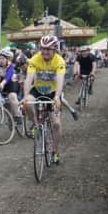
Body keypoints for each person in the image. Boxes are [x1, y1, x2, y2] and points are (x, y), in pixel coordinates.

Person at [20, 34, 66, 165]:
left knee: (56, 123)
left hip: (53, 92)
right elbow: (29, 78)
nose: (44, 51)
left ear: (55, 49)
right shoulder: (35, 59)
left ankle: (55, 151)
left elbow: (60, 79)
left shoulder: (59, 61)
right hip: (38, 90)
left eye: (48, 49)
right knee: (27, 102)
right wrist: (24, 96)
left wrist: (57, 97)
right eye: (42, 48)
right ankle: (36, 124)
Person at [0, 49, 22, 125]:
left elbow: (8, 75)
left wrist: (3, 82)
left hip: (11, 82)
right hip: (1, 83)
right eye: (0, 58)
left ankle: (17, 115)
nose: (1, 60)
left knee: (12, 96)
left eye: (3, 58)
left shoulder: (10, 66)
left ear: (7, 59)